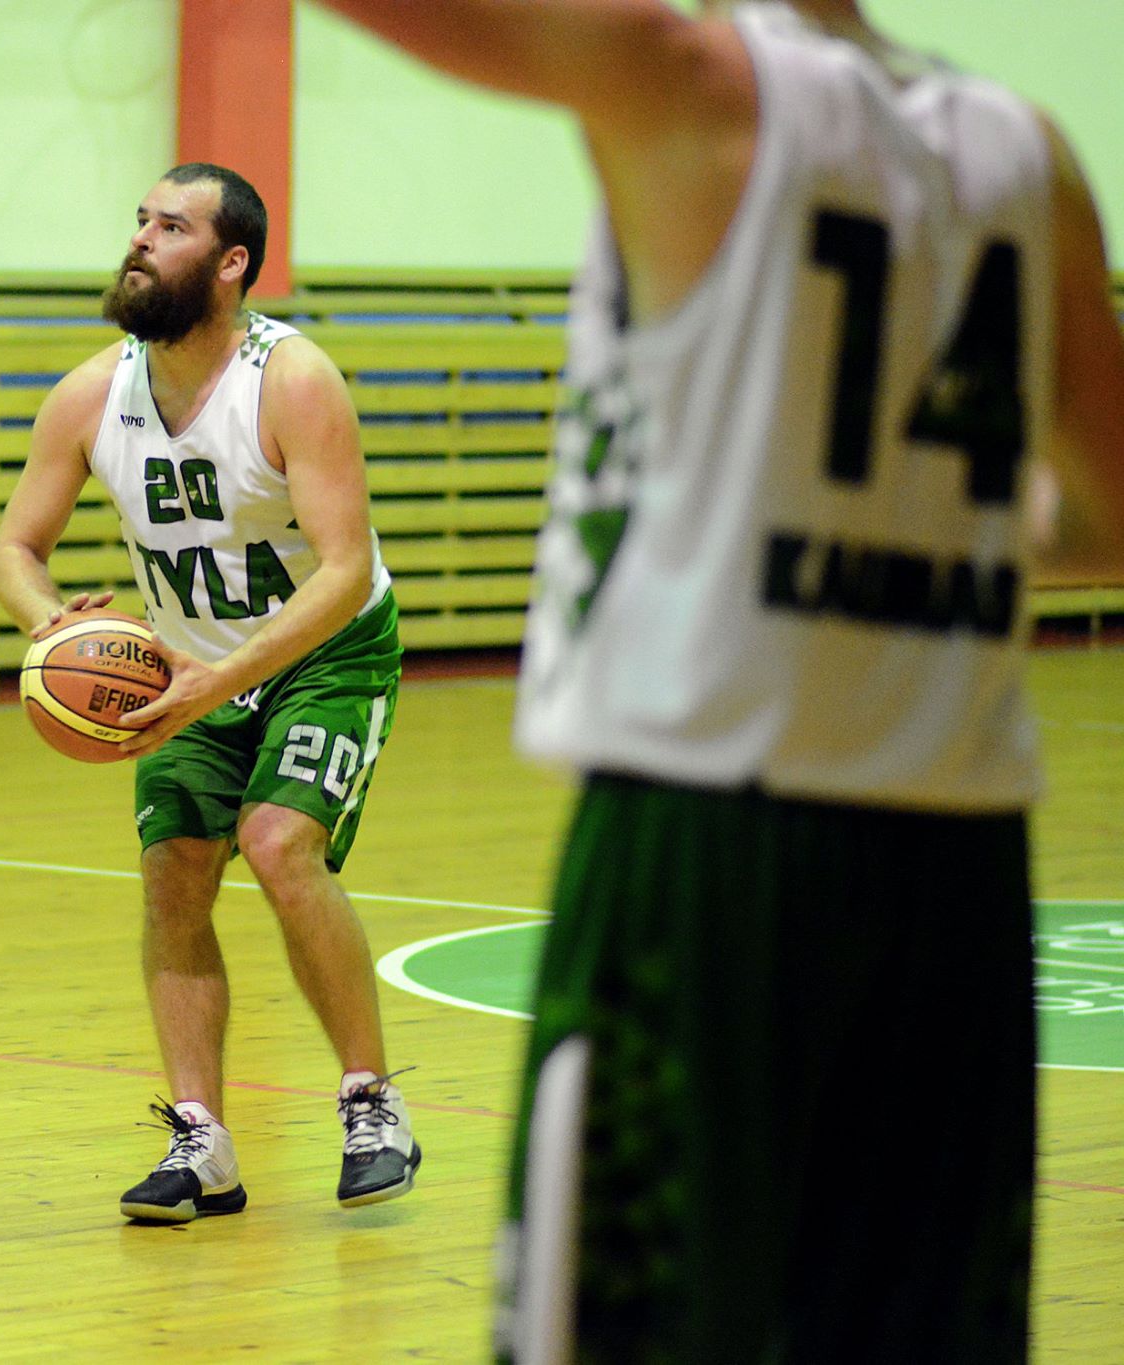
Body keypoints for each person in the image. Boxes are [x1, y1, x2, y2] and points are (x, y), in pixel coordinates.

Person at [322, 0, 1124, 1359]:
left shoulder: (686, 77)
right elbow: (1108, 512)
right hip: (961, 870)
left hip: (709, 836)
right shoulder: (1027, 152)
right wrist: (931, 526)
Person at [0, 163, 421, 1224]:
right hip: (189, 668)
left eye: (170, 227)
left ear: (230, 264)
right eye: (140, 220)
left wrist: (222, 678)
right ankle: (202, 1142)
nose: (140, 238)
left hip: (323, 653)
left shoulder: (293, 380)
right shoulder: (91, 393)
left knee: (277, 845)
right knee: (173, 874)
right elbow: (13, 547)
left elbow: (340, 568)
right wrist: (48, 622)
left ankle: (371, 1102)